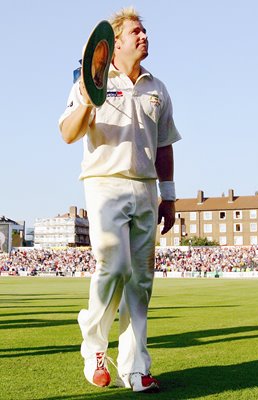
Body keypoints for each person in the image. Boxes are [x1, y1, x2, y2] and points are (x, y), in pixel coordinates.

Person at [59, 7, 181, 393]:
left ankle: (135, 367)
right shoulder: (89, 82)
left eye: (145, 31)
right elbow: (67, 133)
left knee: (141, 281)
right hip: (104, 183)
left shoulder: (157, 88)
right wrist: (87, 103)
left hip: (146, 188)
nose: (144, 36)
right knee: (113, 267)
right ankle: (94, 347)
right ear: (113, 44)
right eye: (136, 32)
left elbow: (163, 146)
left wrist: (170, 197)